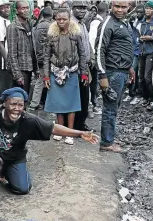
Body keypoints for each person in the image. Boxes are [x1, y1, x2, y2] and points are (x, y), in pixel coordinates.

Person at [43, 9, 89, 145]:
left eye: (64, 19)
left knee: (72, 105)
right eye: (59, 19)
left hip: (72, 73)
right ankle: (59, 131)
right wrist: (46, 77)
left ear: (69, 19)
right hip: (55, 72)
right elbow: (46, 57)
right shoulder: (51, 35)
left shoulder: (76, 34)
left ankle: (70, 133)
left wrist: (84, 74)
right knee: (58, 105)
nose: (61, 22)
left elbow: (82, 55)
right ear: (55, 19)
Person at [96, 1, 135, 153]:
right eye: (117, 6)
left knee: (114, 106)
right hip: (113, 73)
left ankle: (109, 137)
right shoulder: (108, 23)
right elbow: (99, 50)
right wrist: (102, 75)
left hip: (122, 71)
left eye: (123, 7)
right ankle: (106, 142)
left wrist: (129, 67)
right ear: (111, 6)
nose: (120, 10)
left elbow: (122, 47)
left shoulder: (122, 22)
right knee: (110, 108)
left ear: (128, 7)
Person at [7, 1, 37, 94]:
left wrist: (36, 68)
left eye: (27, 8)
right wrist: (17, 75)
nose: (26, 10)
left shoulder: (30, 24)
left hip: (29, 66)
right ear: (16, 11)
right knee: (18, 97)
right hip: (20, 68)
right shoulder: (13, 27)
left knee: (26, 96)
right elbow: (12, 53)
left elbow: (33, 48)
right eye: (23, 8)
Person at [72, 0, 92, 132]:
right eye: (79, 8)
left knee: (85, 96)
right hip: (77, 67)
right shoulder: (72, 24)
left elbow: (86, 44)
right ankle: (76, 125)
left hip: (85, 65)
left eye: (84, 8)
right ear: (72, 8)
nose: (82, 10)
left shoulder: (83, 24)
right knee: (79, 97)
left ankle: (80, 123)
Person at [29, 7, 54, 110]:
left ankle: (34, 102)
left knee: (39, 80)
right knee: (41, 81)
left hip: (37, 57)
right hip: (45, 57)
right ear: (51, 16)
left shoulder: (36, 26)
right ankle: (34, 103)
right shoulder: (49, 26)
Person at [138, 0, 153, 110]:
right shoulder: (142, 21)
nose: (148, 10)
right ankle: (145, 97)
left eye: (150, 8)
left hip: (151, 52)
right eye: (147, 8)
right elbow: (137, 34)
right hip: (142, 51)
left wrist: (150, 38)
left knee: (149, 77)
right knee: (141, 76)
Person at [88, 1, 109, 115]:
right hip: (94, 57)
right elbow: (92, 40)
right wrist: (94, 58)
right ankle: (93, 104)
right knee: (93, 82)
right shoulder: (97, 23)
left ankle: (93, 103)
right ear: (106, 12)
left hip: (95, 56)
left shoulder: (97, 21)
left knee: (94, 81)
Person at [123, 4, 144, 104]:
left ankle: (136, 94)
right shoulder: (135, 21)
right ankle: (131, 93)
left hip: (140, 51)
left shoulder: (143, 23)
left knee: (138, 74)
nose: (138, 14)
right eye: (138, 12)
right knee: (132, 72)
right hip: (133, 50)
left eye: (141, 12)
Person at [0, 0, 12, 102]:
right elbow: (0, 44)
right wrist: (8, 61)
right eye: (3, 7)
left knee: (8, 87)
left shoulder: (8, 21)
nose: (6, 9)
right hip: (3, 62)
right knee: (2, 88)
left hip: (8, 60)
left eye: (8, 7)